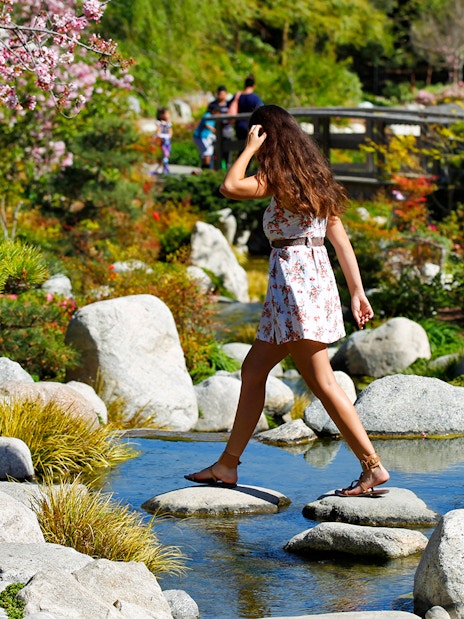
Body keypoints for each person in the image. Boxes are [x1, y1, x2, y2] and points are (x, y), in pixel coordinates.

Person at [185, 104, 390, 497]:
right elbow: (340, 242)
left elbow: (229, 185)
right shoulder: (311, 179)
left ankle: (373, 468)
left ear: (265, 136)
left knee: (323, 382)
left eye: (258, 137)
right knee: (253, 370)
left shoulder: (277, 180)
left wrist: (245, 149)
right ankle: (227, 464)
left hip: (296, 288)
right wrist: (357, 291)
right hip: (302, 286)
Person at [234, 75, 263, 140]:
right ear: (254, 85)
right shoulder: (255, 98)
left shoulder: (238, 96)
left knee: (240, 148)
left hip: (239, 126)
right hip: (251, 127)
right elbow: (261, 110)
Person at [193, 103, 222, 169]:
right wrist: (214, 130)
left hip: (205, 137)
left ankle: (205, 168)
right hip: (201, 137)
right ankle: (207, 169)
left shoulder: (212, 116)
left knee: (205, 153)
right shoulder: (208, 115)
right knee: (207, 152)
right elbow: (207, 124)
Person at [152, 107, 173, 174]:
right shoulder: (159, 123)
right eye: (167, 113)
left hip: (167, 140)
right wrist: (159, 137)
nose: (168, 115)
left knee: (167, 154)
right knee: (163, 154)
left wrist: (169, 136)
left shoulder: (168, 123)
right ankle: (161, 167)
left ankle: (164, 167)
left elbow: (170, 131)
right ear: (161, 115)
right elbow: (158, 131)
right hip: (162, 140)